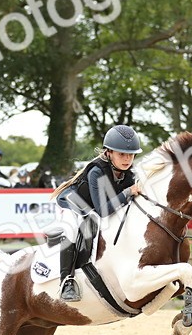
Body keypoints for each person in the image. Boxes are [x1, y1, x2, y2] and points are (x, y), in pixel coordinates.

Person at [51, 125, 143, 302]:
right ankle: (67, 282)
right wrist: (127, 193)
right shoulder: (97, 171)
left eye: (131, 155)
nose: (127, 159)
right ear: (109, 153)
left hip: (93, 208)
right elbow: (102, 211)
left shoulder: (129, 175)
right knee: (73, 229)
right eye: (122, 154)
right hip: (71, 203)